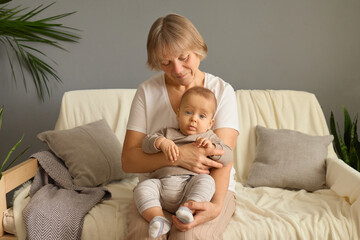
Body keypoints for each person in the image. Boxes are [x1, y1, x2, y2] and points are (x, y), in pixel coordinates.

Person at [122, 13, 239, 240]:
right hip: (157, 188)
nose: (177, 69)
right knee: (147, 236)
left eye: (184, 57)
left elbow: (224, 157)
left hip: (208, 188)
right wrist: (177, 157)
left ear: (197, 49)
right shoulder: (146, 92)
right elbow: (128, 160)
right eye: (166, 63)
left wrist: (215, 205)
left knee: (187, 237)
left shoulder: (222, 91)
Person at [134, 87, 233, 238]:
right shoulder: (167, 133)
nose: (194, 119)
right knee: (143, 187)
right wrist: (161, 143)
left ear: (210, 123)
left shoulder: (209, 137)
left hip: (190, 185)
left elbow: (228, 156)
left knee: (206, 181)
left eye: (202, 116)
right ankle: (157, 218)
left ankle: (187, 209)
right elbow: (146, 144)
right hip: (161, 185)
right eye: (188, 112)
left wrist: (212, 148)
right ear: (178, 114)